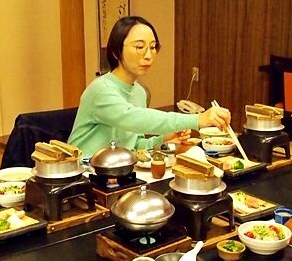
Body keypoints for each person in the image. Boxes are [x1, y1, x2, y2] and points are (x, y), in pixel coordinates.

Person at [68, 15, 231, 157]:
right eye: (139, 47)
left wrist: (164, 139)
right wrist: (197, 119)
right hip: (83, 172)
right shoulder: (101, 89)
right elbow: (133, 118)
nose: (148, 55)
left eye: (152, 47)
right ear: (116, 52)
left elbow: (135, 145)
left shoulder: (140, 92)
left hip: (119, 170)